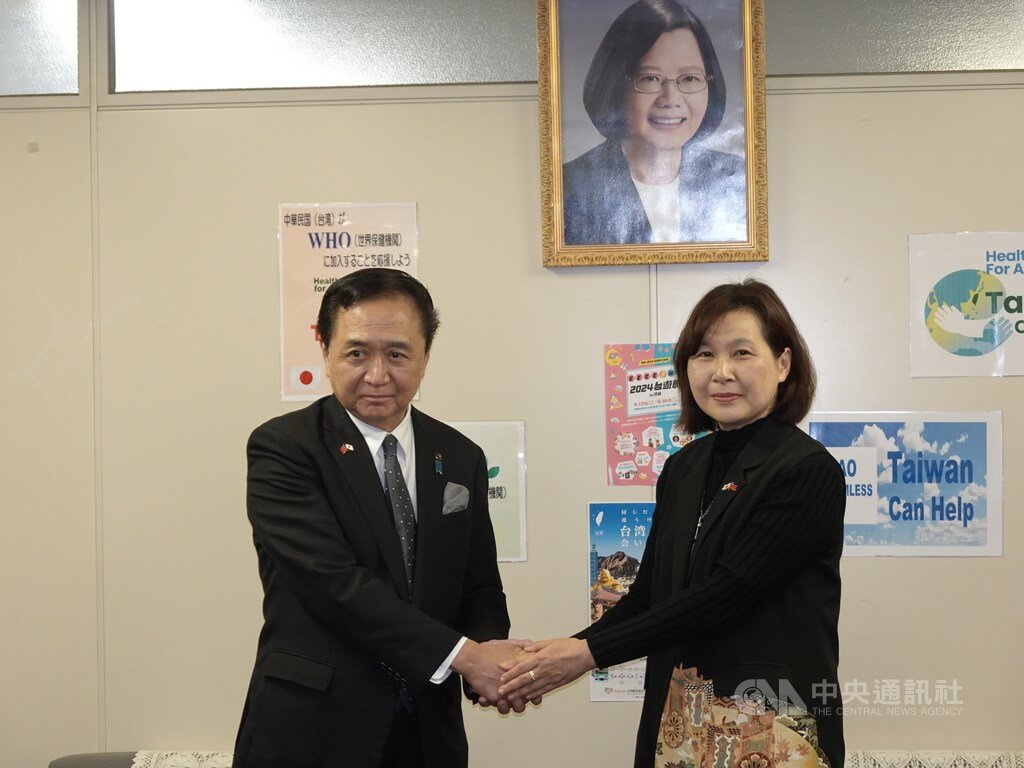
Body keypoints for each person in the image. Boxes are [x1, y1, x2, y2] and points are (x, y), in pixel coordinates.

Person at [499, 280, 846, 767]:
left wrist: (585, 655)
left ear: (783, 364)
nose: (721, 372)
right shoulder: (684, 468)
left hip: (770, 725)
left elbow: (725, 596)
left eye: (742, 352)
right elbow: (648, 596)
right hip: (680, 718)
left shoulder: (806, 470)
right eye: (704, 355)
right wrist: (556, 656)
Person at [234, 268, 527, 768]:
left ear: (425, 357)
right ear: (325, 351)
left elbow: (479, 584)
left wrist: (493, 661)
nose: (376, 375)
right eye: (356, 353)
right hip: (312, 730)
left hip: (428, 733)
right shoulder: (284, 448)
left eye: (397, 354)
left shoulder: (461, 456)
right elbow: (335, 585)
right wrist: (466, 657)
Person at [562, 0, 746, 246]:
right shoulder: (569, 187)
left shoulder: (736, 176)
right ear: (616, 85)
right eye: (650, 78)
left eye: (689, 78)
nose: (671, 100)